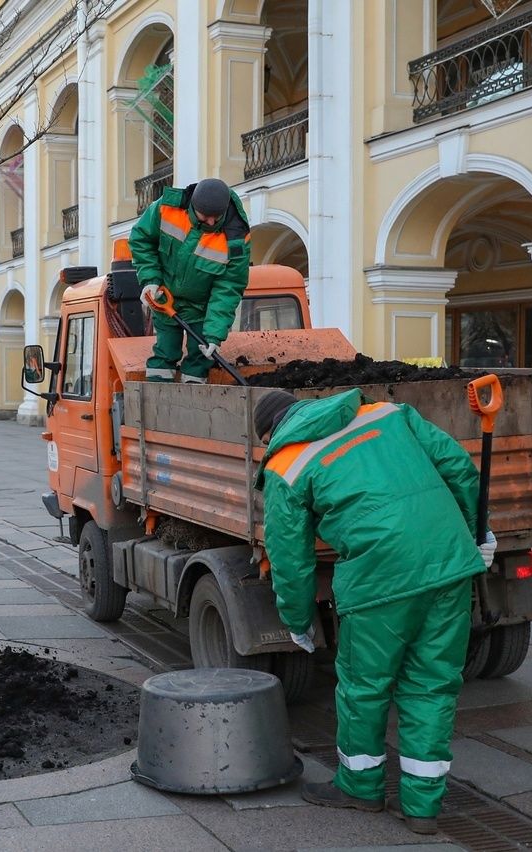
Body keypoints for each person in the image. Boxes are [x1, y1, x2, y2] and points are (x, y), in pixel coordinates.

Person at [253, 388, 495, 835]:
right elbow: (459, 467)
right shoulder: (387, 413)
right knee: (434, 686)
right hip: (449, 566)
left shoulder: (286, 465)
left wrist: (297, 619)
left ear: (272, 433)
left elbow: (288, 556)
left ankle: (360, 789)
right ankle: (422, 809)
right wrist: (476, 532)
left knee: (365, 687)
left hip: (378, 580)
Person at [130, 177, 251, 383]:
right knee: (164, 355)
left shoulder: (237, 239)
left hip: (201, 312)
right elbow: (141, 239)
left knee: (198, 363)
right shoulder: (166, 208)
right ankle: (157, 400)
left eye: (217, 217)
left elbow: (228, 288)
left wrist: (214, 334)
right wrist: (150, 279)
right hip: (164, 299)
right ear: (193, 207)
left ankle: (193, 404)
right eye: (206, 217)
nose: (211, 222)